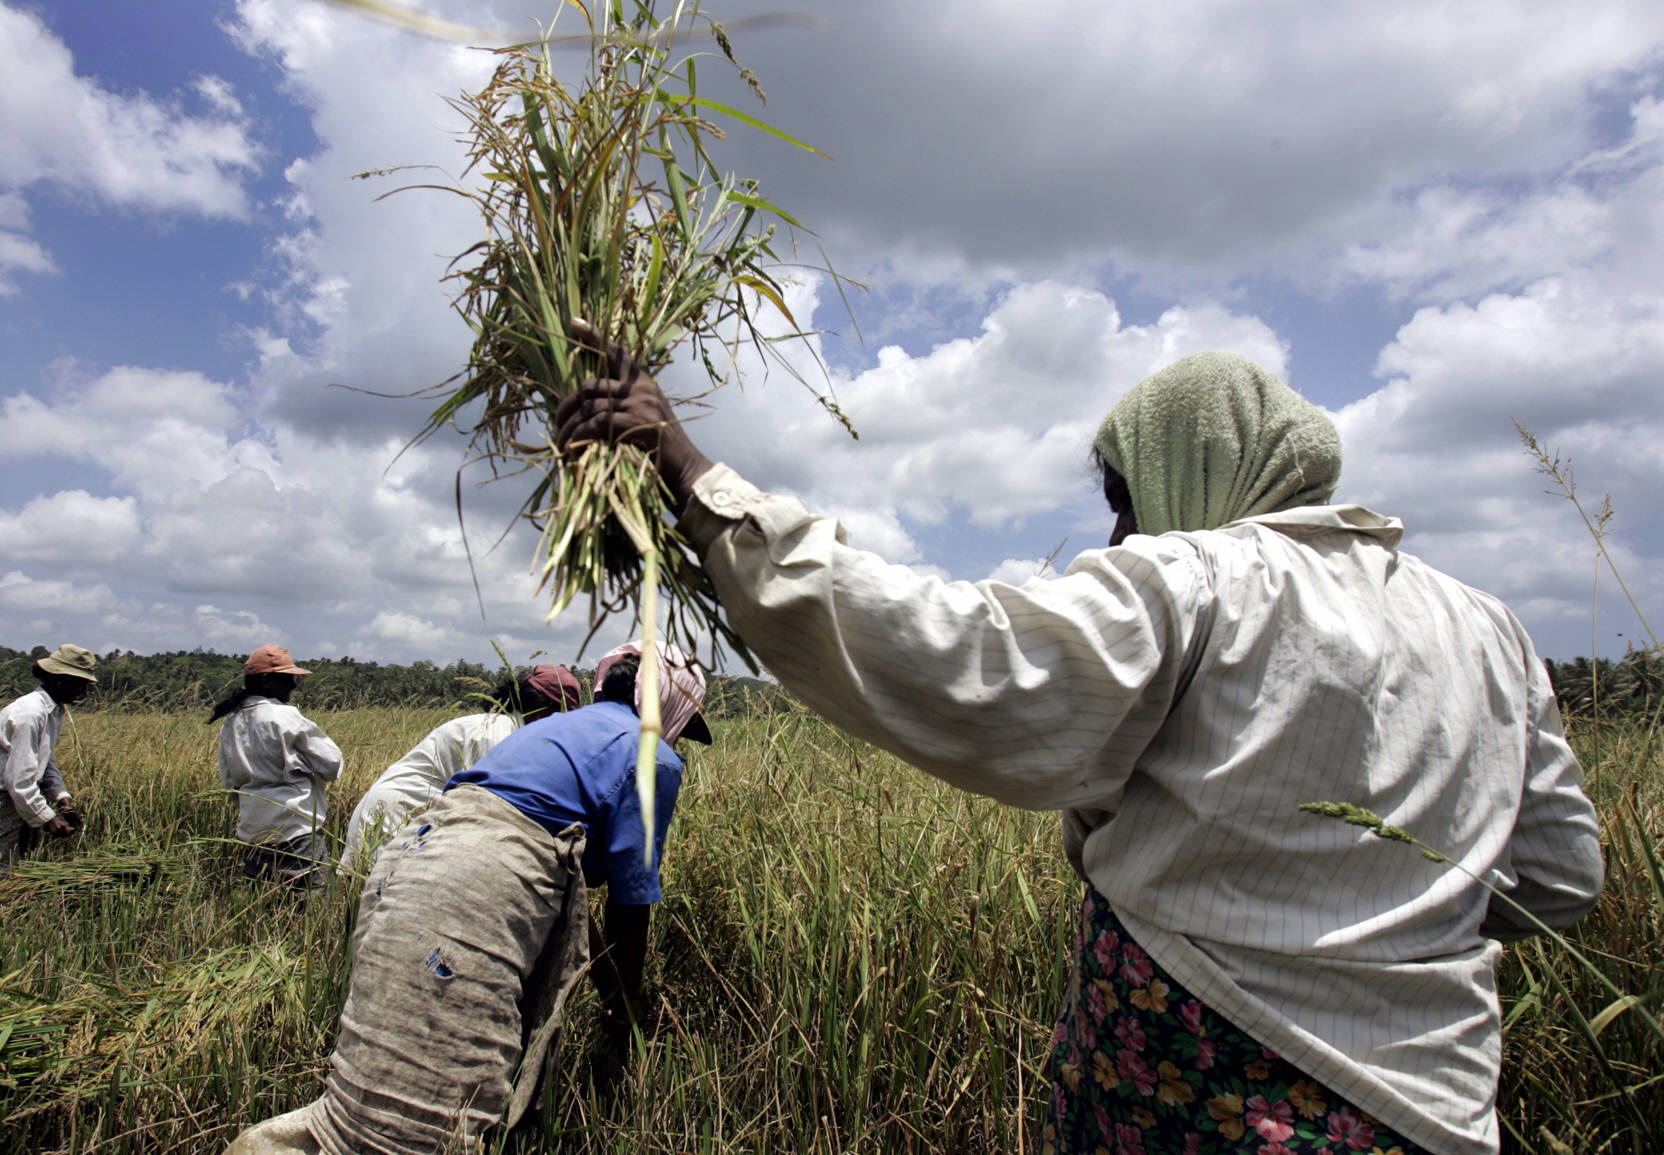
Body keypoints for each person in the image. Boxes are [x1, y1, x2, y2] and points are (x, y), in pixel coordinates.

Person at [555, 330, 1603, 1155]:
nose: (1116, 537)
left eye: (1121, 501)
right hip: (1439, 1112)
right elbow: (1560, 877)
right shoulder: (1489, 629)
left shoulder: (1201, 581)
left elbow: (960, 659)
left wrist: (693, 473)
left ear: (1189, 469)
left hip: (1209, 1090)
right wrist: (1386, 924)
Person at [223, 642, 711, 1155]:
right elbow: (629, 902)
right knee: (433, 1130)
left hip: (408, 861)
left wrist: (608, 988)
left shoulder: (544, 730)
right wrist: (630, 1004)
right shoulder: (655, 753)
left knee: (368, 1096)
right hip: (475, 887)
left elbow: (561, 880)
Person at [337, 664, 584, 872]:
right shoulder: (496, 732)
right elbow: (497, 805)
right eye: (560, 714)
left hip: (417, 822)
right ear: (542, 706)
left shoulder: (510, 731)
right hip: (393, 817)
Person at [211, 644, 344, 886]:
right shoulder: (284, 717)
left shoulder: (231, 723)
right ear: (268, 682)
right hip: (295, 830)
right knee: (307, 907)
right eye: (288, 680)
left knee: (262, 904)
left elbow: (229, 782)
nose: (292, 687)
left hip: (253, 832)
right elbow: (332, 764)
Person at [0, 644, 93, 867]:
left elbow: (43, 758)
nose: (83, 692)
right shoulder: (30, 713)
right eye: (80, 684)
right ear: (60, 679)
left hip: (14, 787)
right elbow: (19, 778)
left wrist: (61, 797)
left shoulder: (54, 710)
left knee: (21, 856)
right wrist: (47, 818)